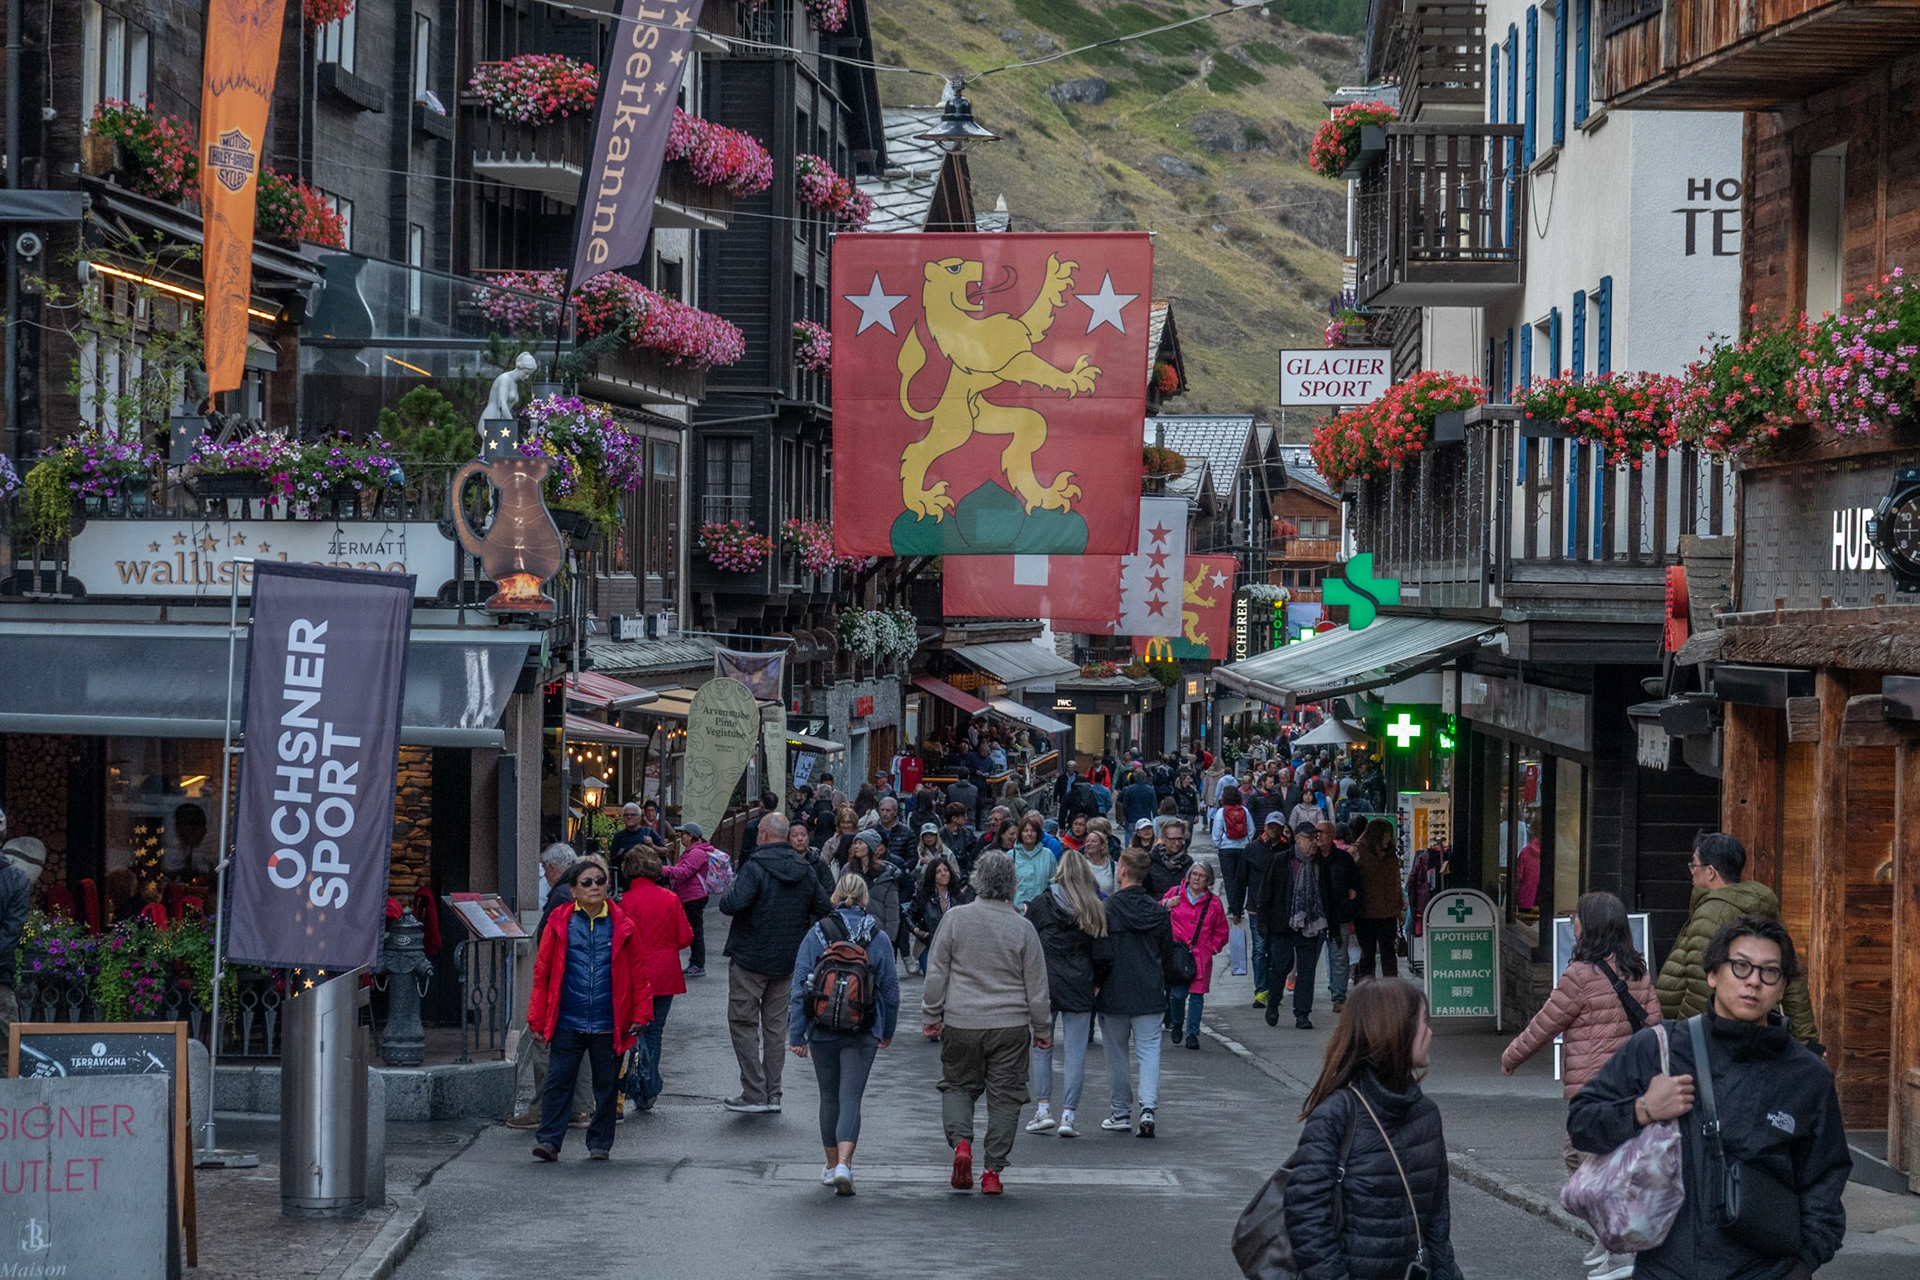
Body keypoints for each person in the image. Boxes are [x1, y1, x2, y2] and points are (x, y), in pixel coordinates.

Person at [1568, 916, 1849, 1280]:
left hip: (1765, 1269)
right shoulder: (1660, 1049)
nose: (1753, 981)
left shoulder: (1806, 1076)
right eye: (1741, 966)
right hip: (1667, 1267)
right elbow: (1582, 1124)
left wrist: (1804, 1263)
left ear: (1781, 989)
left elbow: (1825, 1178)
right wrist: (1643, 1109)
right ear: (1713, 974)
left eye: (1770, 972)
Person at [1501, 891, 1658, 1280]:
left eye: (1577, 917)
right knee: (1616, 1163)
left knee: (1581, 1162)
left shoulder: (1579, 975)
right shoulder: (1637, 970)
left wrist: (1511, 1057)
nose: (1572, 923)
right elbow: (1655, 1027)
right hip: (1631, 1088)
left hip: (1591, 1091)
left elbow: (1545, 1023)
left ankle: (1618, 1245)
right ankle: (1617, 1242)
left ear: (1592, 926)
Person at [1284, 978, 1459, 1279]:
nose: (1430, 1033)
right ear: (1397, 1031)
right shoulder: (1336, 1115)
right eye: (1424, 1023)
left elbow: (1437, 1225)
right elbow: (1306, 1220)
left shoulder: (1427, 1115)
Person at [921, 850, 1053, 1195]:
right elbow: (1036, 986)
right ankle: (992, 1171)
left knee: (957, 1086)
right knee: (1006, 1098)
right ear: (1013, 883)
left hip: (962, 1020)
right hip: (1010, 1024)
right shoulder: (1023, 928)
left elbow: (937, 972)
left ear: (977, 879)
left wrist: (932, 1015)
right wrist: (1042, 1028)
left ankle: (961, 1142)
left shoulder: (955, 919)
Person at [526, 859, 653, 1161]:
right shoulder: (559, 922)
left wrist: (641, 1013)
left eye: (600, 881)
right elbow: (542, 974)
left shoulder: (623, 923)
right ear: (573, 890)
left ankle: (600, 1143)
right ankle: (549, 1142)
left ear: (608, 886)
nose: (594, 886)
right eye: (586, 882)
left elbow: (638, 972)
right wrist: (536, 1017)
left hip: (609, 1022)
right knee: (558, 1082)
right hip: (568, 1020)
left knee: (607, 1087)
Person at [788, 873, 901, 1197]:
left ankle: (829, 1164)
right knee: (851, 1097)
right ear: (865, 899)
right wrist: (886, 1030)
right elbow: (891, 992)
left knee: (829, 1096)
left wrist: (797, 1034)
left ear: (837, 895)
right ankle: (845, 1165)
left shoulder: (818, 932)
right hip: (864, 1027)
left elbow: (800, 987)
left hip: (822, 1028)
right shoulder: (876, 936)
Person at [1655, 832, 1818, 1048]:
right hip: (1753, 1028)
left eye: (1694, 864)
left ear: (1711, 872)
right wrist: (1809, 1040)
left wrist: (1685, 1040)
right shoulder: (1762, 907)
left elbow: (1698, 985)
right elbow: (1792, 978)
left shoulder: (1712, 912)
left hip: (1709, 1040)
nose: (1692, 872)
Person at [717, 812, 832, 1114]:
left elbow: (731, 904)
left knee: (743, 1023)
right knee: (775, 1027)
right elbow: (823, 906)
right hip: (788, 958)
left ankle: (754, 1091)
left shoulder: (755, 866)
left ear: (765, 835)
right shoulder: (805, 868)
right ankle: (773, 1092)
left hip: (750, 957)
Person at [1024, 850, 1109, 1139]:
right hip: (1080, 984)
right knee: (1075, 1055)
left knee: (1042, 1047)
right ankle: (1068, 1116)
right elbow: (1102, 953)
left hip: (1045, 984)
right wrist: (1097, 982)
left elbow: (1029, 946)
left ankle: (1043, 1108)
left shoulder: (1040, 904)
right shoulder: (1093, 907)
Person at [1094, 848, 1177, 1138]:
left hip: (1114, 991)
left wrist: (1097, 984)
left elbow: (1101, 952)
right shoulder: (1157, 911)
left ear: (1123, 872)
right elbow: (1167, 954)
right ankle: (1148, 1108)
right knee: (1149, 1050)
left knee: (1116, 1054)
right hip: (1149, 990)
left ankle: (1120, 1112)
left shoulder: (1107, 909)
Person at [617, 849, 694, 1112]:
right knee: (656, 1031)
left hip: (634, 974)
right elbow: (685, 937)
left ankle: (640, 1084)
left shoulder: (623, 902)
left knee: (635, 1030)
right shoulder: (670, 899)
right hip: (665, 973)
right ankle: (648, 1086)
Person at [1257, 820, 1333, 1029]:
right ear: (1298, 839)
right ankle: (1273, 1003)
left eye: (1316, 838)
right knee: (1280, 968)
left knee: (1307, 971)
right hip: (1283, 925)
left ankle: (1302, 1014)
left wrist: (1332, 925)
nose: (1314, 843)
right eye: (1310, 838)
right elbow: (1266, 892)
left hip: (1311, 925)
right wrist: (1263, 922)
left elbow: (1327, 895)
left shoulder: (1320, 864)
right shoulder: (1281, 860)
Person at [1161, 862, 1229, 1051]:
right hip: (1178, 954)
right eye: (1194, 874)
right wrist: (1167, 904)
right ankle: (1176, 1023)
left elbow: (1222, 930)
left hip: (1201, 955)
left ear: (1208, 880)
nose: (1197, 878)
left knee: (1197, 996)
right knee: (1177, 995)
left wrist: (1212, 948)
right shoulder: (1175, 893)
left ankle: (1192, 1034)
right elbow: (1156, 910)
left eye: (1202, 875)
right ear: (1188, 876)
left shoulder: (1214, 903)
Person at [835, 831, 904, 963]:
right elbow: (839, 898)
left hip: (878, 931)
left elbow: (892, 909)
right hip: (852, 932)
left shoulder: (886, 873)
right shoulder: (847, 870)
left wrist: (889, 939)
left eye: (861, 843)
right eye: (855, 843)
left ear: (870, 846)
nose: (856, 846)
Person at [0, 837, 44, 1037]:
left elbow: (10, 932)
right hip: (1, 976)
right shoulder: (17, 880)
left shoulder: (16, 880)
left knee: (9, 1044)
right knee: (9, 1048)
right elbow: (11, 932)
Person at [1350, 817, 1404, 980]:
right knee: (1368, 952)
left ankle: (1391, 986)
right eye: (1386, 835)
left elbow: (1395, 882)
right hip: (1366, 914)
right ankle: (1367, 986)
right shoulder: (1358, 852)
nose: (1388, 838)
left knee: (1388, 952)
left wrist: (1400, 907)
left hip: (1388, 912)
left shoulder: (1391, 855)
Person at [1244, 815, 1288, 1008]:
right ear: (1265, 827)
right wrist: (1236, 906)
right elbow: (1241, 877)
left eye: (1277, 828)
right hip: (1256, 907)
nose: (1274, 831)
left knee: (1278, 952)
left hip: (1280, 908)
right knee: (1260, 949)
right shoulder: (1252, 849)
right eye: (1271, 827)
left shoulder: (1287, 850)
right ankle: (1261, 990)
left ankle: (1274, 988)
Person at [660, 824, 712, 979]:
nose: (681, 836)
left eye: (683, 834)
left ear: (691, 836)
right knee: (694, 930)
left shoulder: (696, 853)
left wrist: (663, 870)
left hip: (693, 897)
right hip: (691, 896)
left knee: (695, 931)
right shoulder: (694, 851)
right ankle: (696, 963)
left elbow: (685, 872)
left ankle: (698, 964)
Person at [910, 854, 971, 974]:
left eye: (945, 870)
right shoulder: (923, 895)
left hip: (954, 948)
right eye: (938, 871)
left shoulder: (959, 896)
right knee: (932, 985)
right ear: (932, 875)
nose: (943, 874)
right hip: (928, 945)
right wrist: (916, 930)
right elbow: (908, 915)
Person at [1321, 820, 1359, 1011]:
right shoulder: (1312, 858)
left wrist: (1351, 901)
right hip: (1315, 916)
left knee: (1339, 956)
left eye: (1326, 834)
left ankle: (1339, 996)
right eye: (1318, 834)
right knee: (1310, 958)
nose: (1321, 838)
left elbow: (1355, 884)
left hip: (1339, 915)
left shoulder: (1343, 858)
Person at [1208, 786, 1253, 912]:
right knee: (1241, 879)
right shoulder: (1244, 810)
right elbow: (1251, 830)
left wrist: (1217, 846)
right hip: (1242, 848)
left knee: (1229, 879)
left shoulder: (1221, 812)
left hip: (1226, 849)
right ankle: (1240, 905)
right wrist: (1247, 842)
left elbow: (1216, 832)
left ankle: (1232, 906)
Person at [1010, 813, 1057, 910]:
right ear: (1020, 834)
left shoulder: (1048, 855)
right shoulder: (1010, 855)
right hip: (1016, 909)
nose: (1029, 834)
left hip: (1042, 910)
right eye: (1026, 831)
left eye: (1033, 831)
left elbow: (1054, 883)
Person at [1146, 818, 1194, 900]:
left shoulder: (1188, 863)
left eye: (1179, 839)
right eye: (1172, 839)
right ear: (1163, 839)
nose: (1176, 843)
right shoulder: (1151, 861)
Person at [939, 803, 979, 875]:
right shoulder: (940, 834)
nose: (966, 818)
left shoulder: (967, 834)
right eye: (963, 816)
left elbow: (974, 855)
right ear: (954, 818)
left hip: (963, 873)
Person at [1080, 829, 1117, 897]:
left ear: (1102, 845)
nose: (1089, 844)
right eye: (1087, 841)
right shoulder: (1080, 864)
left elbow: (1117, 892)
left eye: (1093, 841)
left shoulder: (1113, 866)